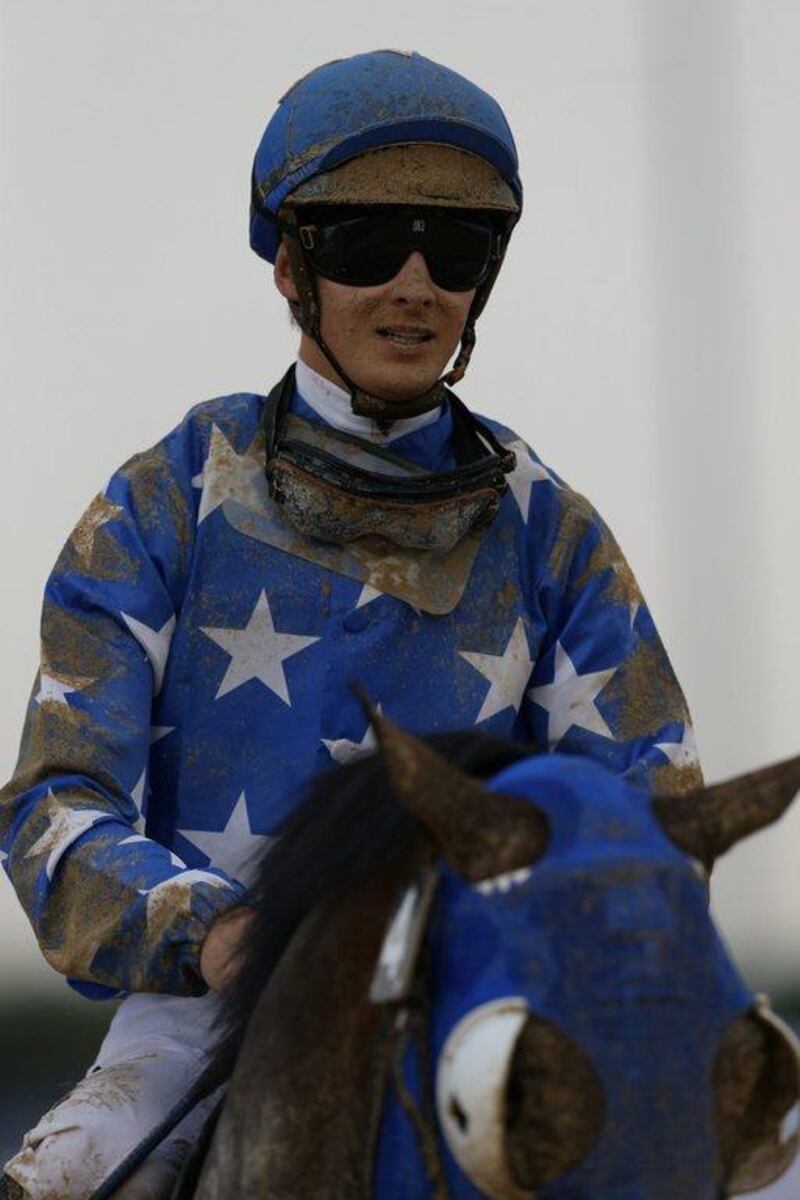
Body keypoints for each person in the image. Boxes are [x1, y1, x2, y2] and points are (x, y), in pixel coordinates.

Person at [0, 49, 702, 1200]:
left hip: (486, 1001)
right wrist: (216, 931)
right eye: (373, 245)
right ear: (291, 265)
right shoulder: (164, 497)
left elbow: (656, 813)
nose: (416, 285)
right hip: (209, 1007)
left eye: (458, 249)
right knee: (69, 1177)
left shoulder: (552, 532)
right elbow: (51, 804)